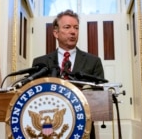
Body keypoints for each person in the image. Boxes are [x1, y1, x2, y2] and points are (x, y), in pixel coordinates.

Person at [32, 9, 105, 139]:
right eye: (67, 27)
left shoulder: (93, 61)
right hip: (50, 129)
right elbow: (34, 95)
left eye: (76, 28)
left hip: (83, 128)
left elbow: (99, 95)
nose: (73, 32)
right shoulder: (40, 63)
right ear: (56, 33)